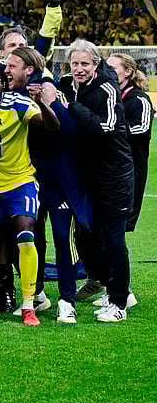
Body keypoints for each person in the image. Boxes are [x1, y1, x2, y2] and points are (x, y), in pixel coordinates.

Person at [0, 62, 59, 325]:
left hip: (20, 183)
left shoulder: (19, 105)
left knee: (26, 235)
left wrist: (41, 102)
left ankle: (29, 304)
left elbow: (52, 126)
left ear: (4, 83)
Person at [6, 46, 89, 323]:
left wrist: (47, 101)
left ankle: (67, 300)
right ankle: (37, 294)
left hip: (60, 181)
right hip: (28, 179)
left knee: (64, 241)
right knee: (30, 239)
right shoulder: (10, 97)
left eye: (12, 66)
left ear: (29, 70)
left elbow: (69, 131)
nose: (7, 71)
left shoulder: (52, 93)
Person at [60, 40, 136, 322]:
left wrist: (72, 108)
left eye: (84, 64)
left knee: (114, 240)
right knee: (85, 237)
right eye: (74, 64)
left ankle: (118, 304)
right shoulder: (67, 84)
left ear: (95, 64)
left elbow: (105, 128)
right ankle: (114, 285)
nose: (78, 69)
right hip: (87, 176)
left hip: (114, 175)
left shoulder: (106, 87)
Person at [107, 53, 152, 232]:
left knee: (118, 227)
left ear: (128, 72)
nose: (106, 72)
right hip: (105, 170)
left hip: (129, 172)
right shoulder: (105, 95)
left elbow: (141, 130)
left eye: (112, 68)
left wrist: (112, 129)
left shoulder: (139, 100)